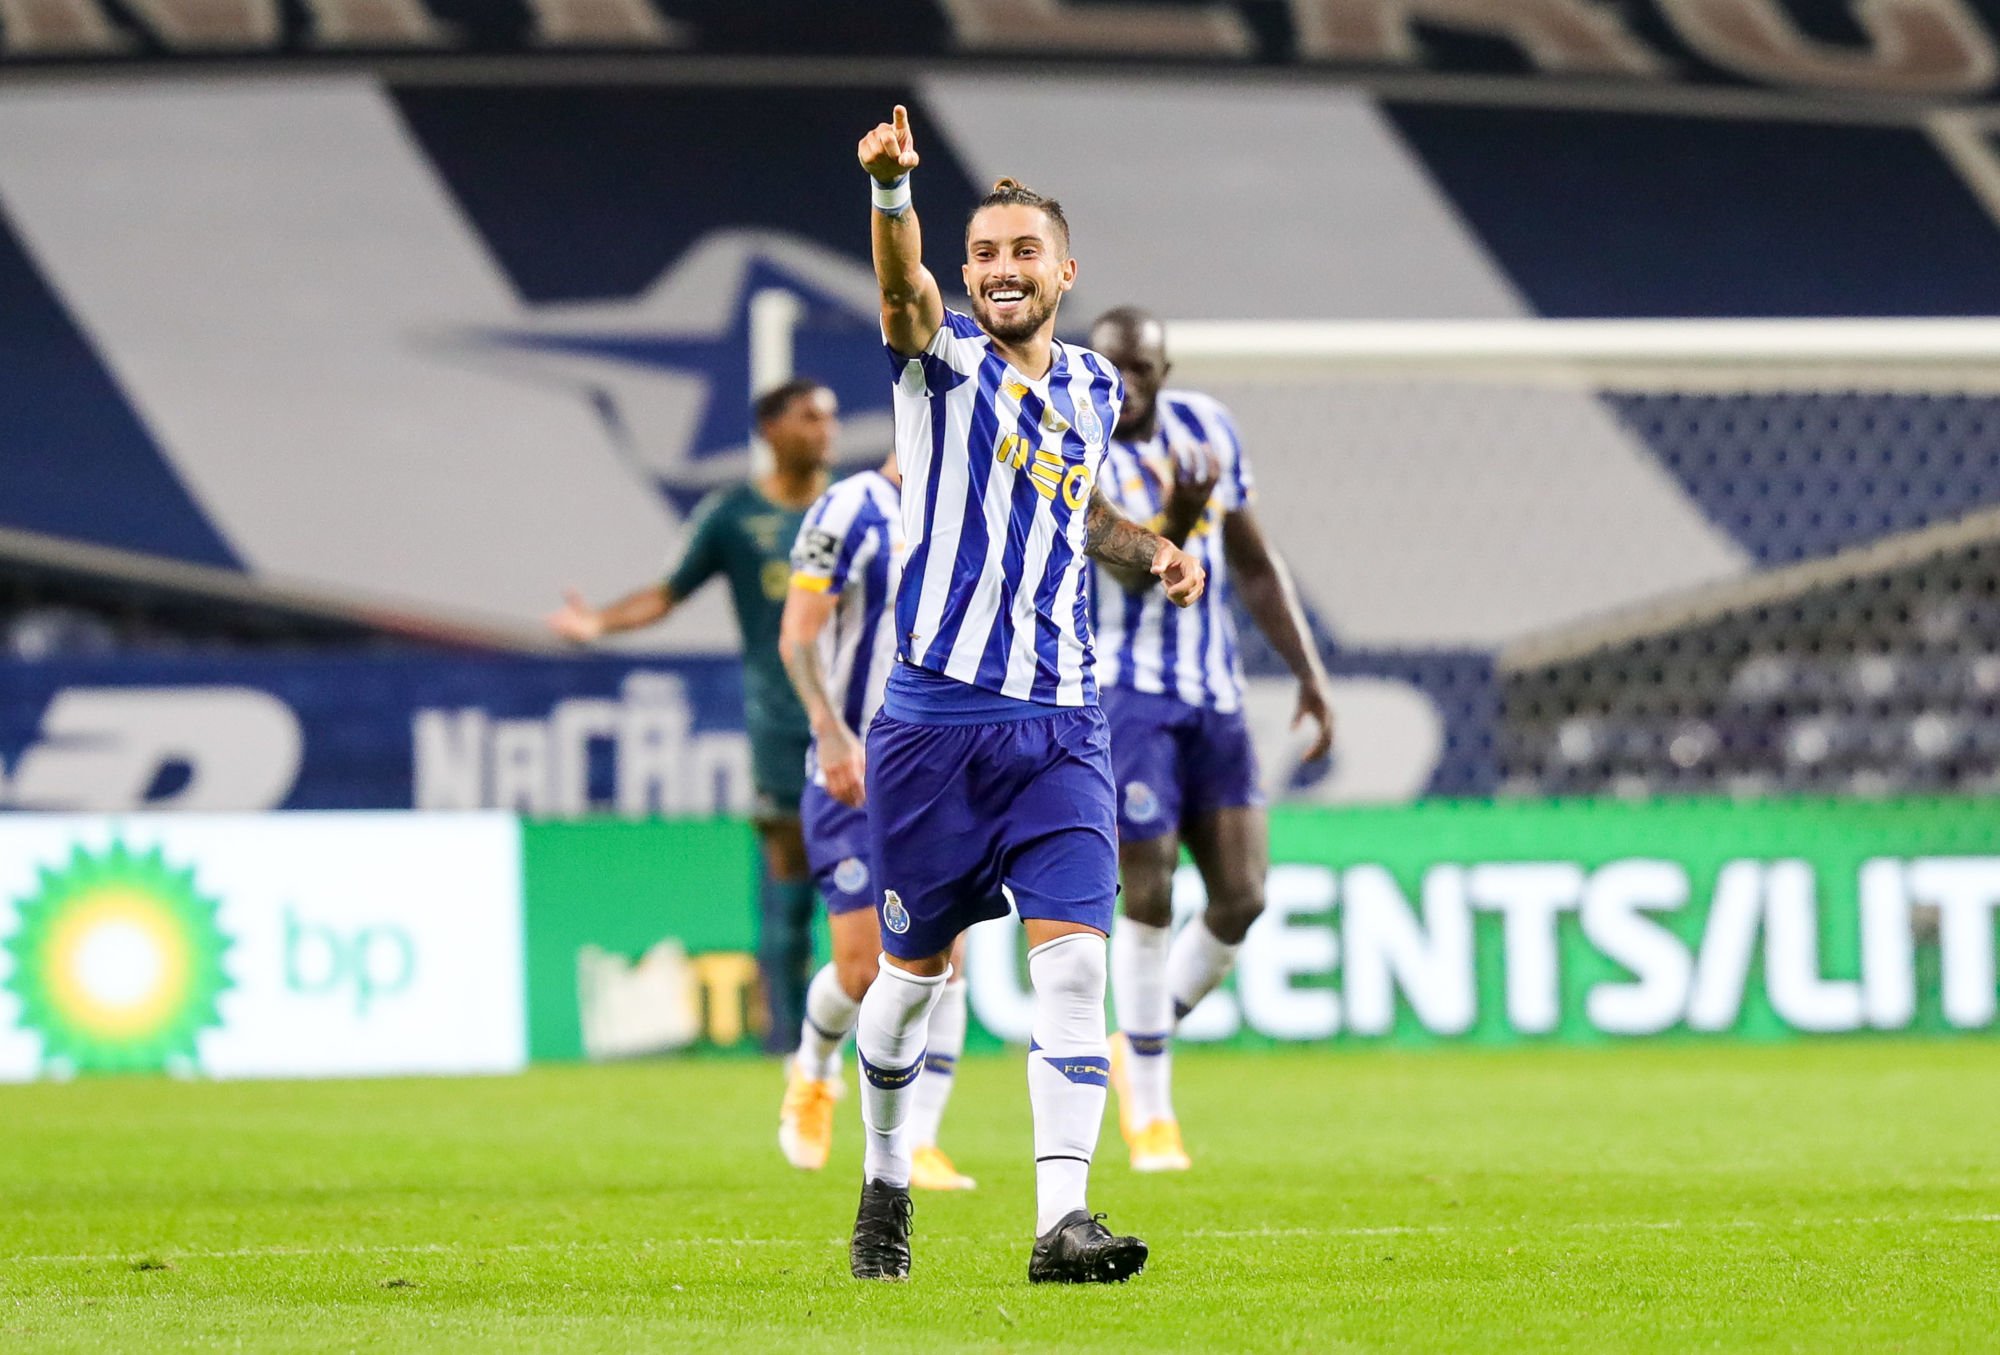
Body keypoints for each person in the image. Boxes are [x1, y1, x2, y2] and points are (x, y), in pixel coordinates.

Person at [847, 105, 1205, 1285]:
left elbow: (1075, 510)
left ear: (1063, 269)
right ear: (966, 274)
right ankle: (885, 1174)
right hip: (933, 726)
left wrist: (1147, 545)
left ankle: (1062, 1220)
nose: (1003, 269)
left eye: (1023, 252)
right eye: (985, 253)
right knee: (909, 981)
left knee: (1073, 964)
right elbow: (899, 301)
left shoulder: (1095, 388)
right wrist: (892, 194)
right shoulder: (938, 366)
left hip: (1061, 722)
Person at [1088, 307, 1336, 1173]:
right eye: (1113, 365)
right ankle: (1151, 1111)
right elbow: (1125, 566)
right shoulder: (1079, 439)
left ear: (1164, 367)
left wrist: (1308, 669)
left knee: (1242, 895)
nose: (1126, 384)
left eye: (1142, 368)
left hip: (1216, 695)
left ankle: (1139, 1036)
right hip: (1127, 694)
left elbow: (1257, 562)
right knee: (1148, 888)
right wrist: (1178, 517)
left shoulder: (1210, 426)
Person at [547, 378, 835, 1055]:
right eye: (806, 417)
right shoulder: (732, 515)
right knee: (790, 885)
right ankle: (790, 1050)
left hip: (871, 720)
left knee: (883, 884)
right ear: (769, 430)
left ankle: (885, 1045)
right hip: (781, 724)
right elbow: (664, 594)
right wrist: (597, 623)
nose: (822, 430)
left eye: (827, 418)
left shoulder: (858, 504)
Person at [774, 452, 975, 1193]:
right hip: (854, 774)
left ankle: (921, 1141)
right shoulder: (851, 508)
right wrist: (829, 731)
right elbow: (798, 633)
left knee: (946, 963)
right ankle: (813, 1068)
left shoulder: (975, 501)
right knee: (865, 970)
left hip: (942, 774)